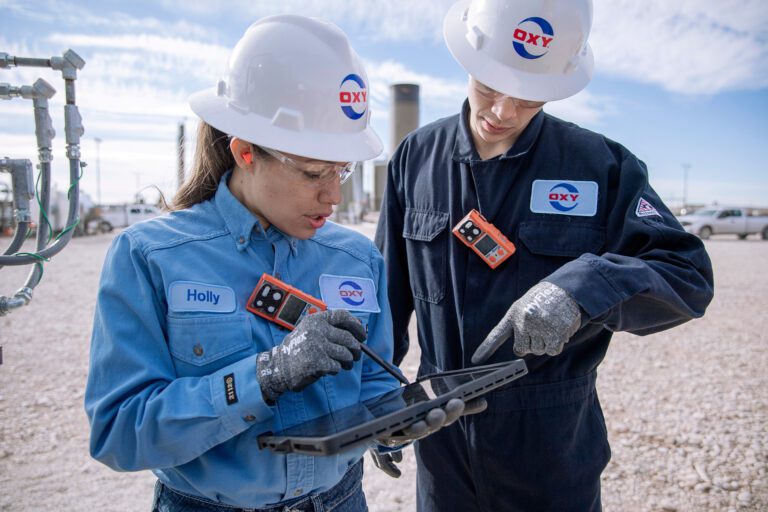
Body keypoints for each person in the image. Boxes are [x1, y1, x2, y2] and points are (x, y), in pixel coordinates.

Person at [85, 15, 470, 512]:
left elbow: (372, 384)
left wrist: (394, 425)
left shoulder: (356, 259)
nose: (333, 195)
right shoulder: (151, 256)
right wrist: (265, 375)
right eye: (313, 173)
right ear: (245, 152)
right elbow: (119, 432)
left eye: (343, 170)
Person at [374, 1, 715, 510]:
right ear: (468, 61)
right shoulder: (415, 158)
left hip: (551, 449)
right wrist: (376, 399)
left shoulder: (600, 165)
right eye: (489, 88)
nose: (502, 112)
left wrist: (581, 288)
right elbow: (387, 297)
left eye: (528, 97)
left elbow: (687, 274)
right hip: (442, 446)